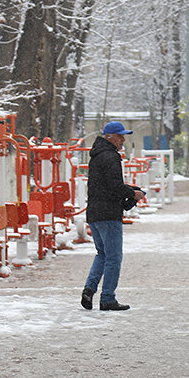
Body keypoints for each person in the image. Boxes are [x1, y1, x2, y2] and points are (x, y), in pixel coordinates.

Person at [81, 121, 145, 311]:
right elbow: (114, 187)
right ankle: (108, 298)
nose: (123, 140)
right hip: (109, 215)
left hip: (94, 213)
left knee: (102, 254)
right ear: (109, 137)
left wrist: (129, 191)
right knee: (113, 258)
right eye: (119, 136)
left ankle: (89, 288)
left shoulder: (96, 156)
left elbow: (103, 186)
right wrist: (133, 194)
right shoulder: (111, 157)